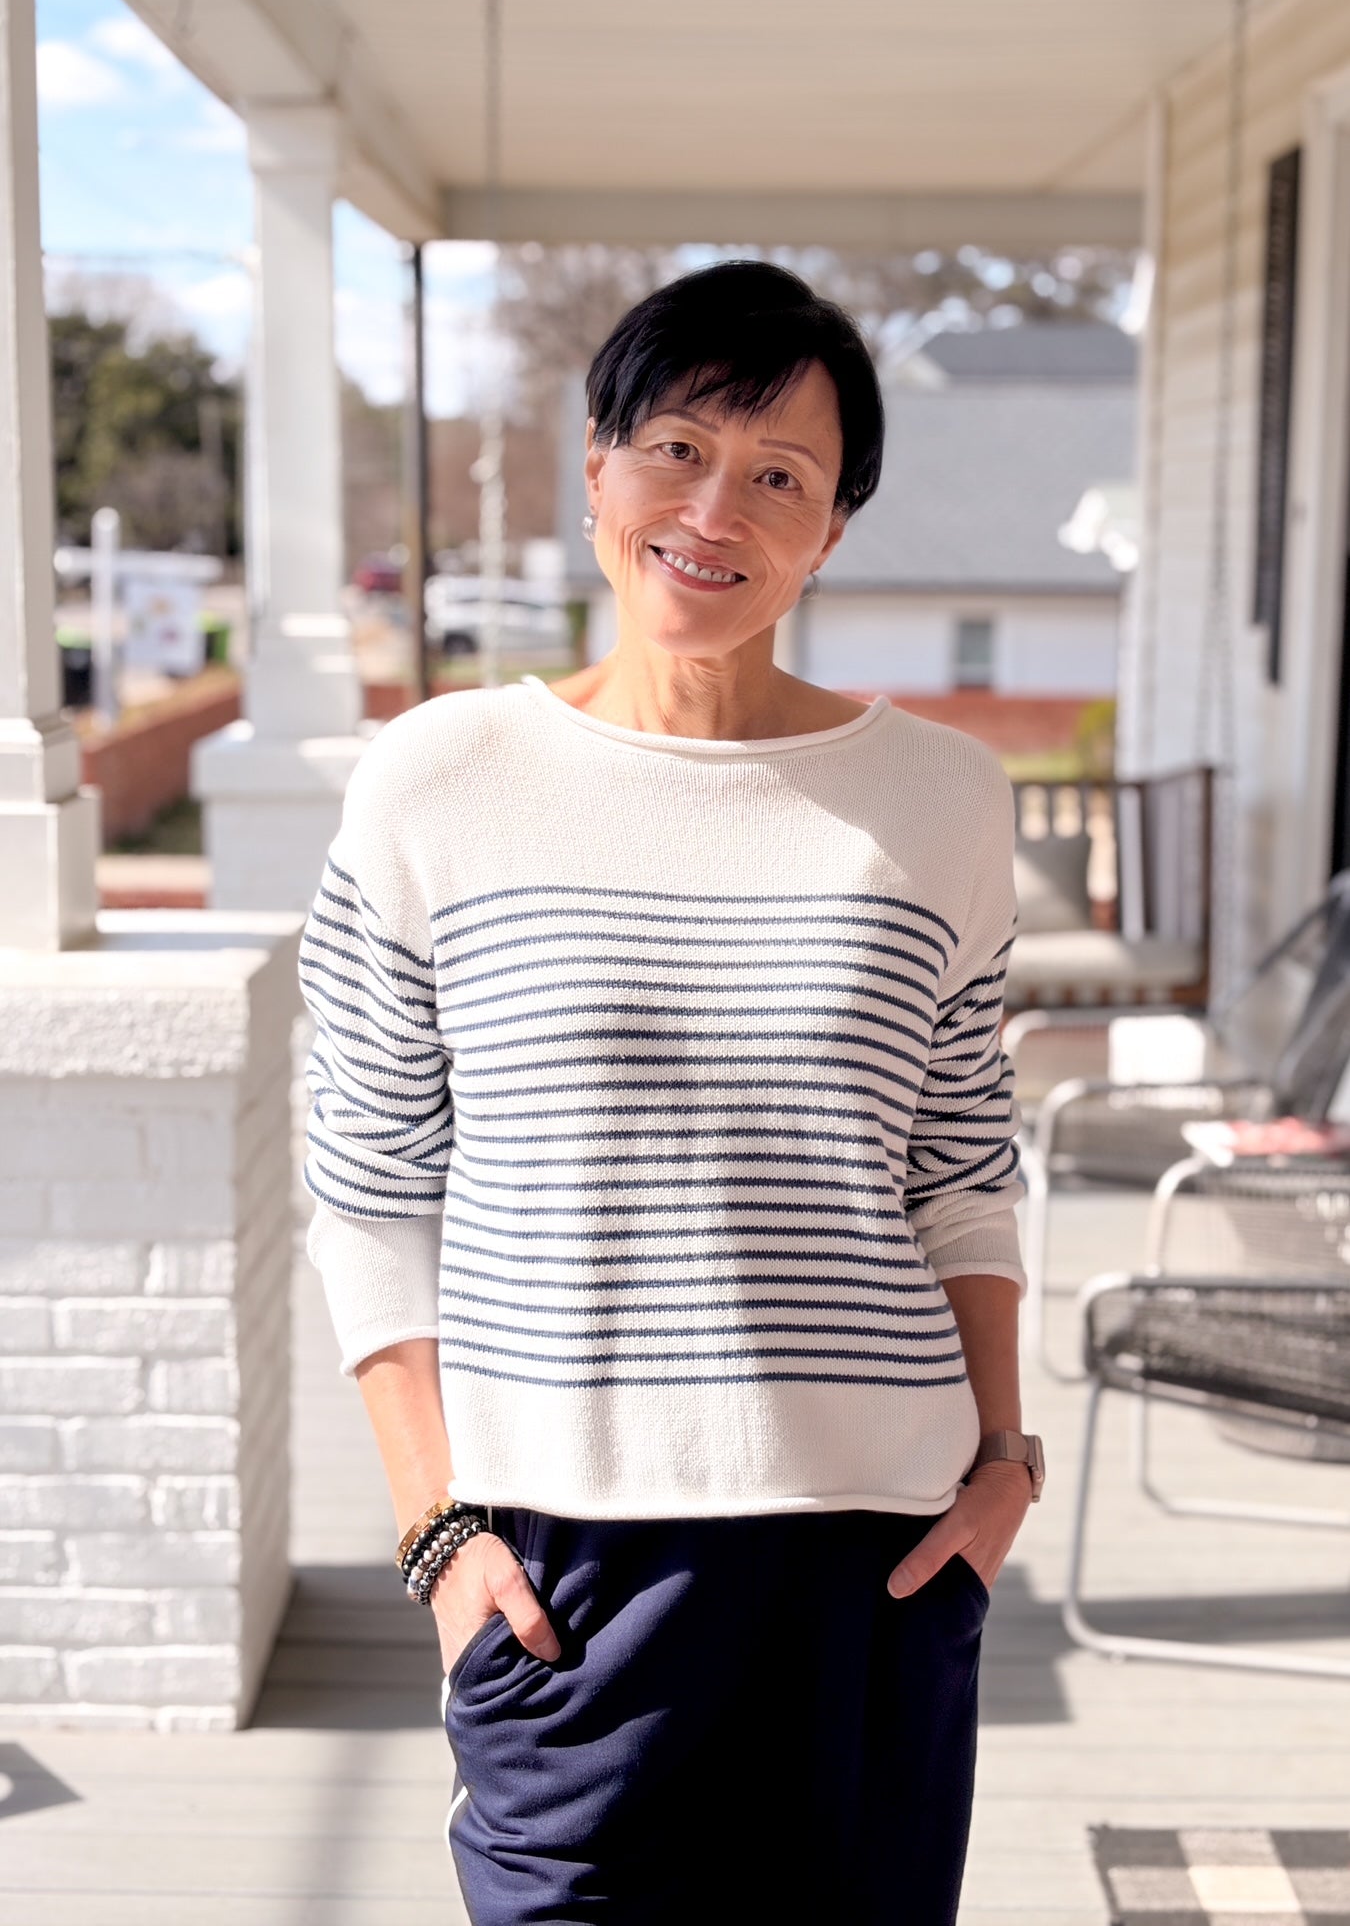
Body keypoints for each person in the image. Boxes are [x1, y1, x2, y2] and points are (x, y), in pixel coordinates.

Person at [298, 260, 1042, 1926]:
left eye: (778, 476)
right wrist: (438, 1540)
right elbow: (366, 1183)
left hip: (880, 1546)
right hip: (561, 1565)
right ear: (595, 467)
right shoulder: (439, 778)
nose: (717, 508)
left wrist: (1001, 1463)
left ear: (830, 529)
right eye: (679, 448)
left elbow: (957, 1165)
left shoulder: (937, 798)